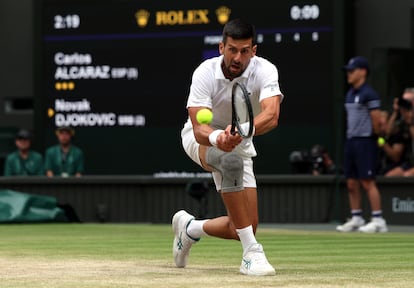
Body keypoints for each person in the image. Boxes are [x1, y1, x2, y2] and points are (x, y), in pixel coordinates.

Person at [173, 18, 283, 276]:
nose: (238, 57)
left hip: (241, 141)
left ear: (253, 51)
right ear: (221, 47)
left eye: (245, 51)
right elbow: (199, 128)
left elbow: (272, 116)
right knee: (229, 160)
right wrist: (218, 138)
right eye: (232, 49)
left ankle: (190, 229)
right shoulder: (204, 72)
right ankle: (251, 254)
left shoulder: (266, 70)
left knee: (242, 226)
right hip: (200, 139)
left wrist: (242, 131)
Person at [336, 56, 388, 233]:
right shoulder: (350, 94)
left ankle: (378, 219)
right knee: (351, 182)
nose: (349, 74)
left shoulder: (370, 94)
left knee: (367, 181)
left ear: (363, 72)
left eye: (352, 70)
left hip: (366, 142)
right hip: (351, 141)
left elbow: (376, 121)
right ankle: (357, 217)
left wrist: (377, 137)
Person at [382, 98, 414, 176]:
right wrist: (395, 112)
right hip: (409, 162)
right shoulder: (403, 122)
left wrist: (411, 122)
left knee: (407, 175)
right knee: (389, 176)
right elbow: (388, 132)